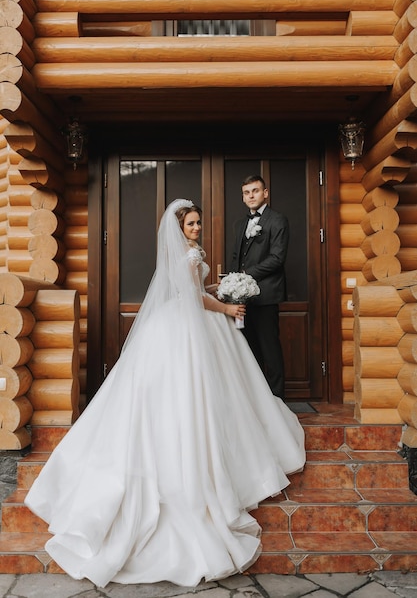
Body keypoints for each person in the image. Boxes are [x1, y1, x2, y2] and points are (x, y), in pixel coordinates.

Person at [25, 199, 304, 589]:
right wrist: (225, 309)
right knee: (194, 393)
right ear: (179, 227)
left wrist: (218, 286)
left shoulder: (188, 256)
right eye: (191, 224)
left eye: (198, 223)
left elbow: (189, 289)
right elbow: (191, 297)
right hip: (189, 328)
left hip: (174, 323)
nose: (196, 228)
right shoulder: (189, 255)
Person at [230, 175, 288, 399]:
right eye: (247, 192)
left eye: (255, 191)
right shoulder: (239, 224)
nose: (251, 195)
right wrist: (233, 285)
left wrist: (245, 275)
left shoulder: (277, 220)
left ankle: (277, 400)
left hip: (267, 295)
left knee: (270, 349)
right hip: (242, 299)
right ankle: (257, 400)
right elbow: (237, 257)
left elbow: (277, 258)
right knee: (249, 349)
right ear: (243, 197)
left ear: (265, 193)